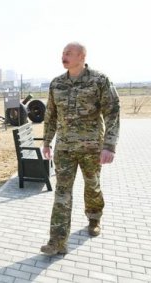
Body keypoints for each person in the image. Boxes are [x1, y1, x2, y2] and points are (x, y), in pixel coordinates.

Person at [40, 42, 120, 255]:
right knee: (62, 192)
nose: (63, 56)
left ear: (81, 57)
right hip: (64, 148)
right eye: (63, 52)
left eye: (69, 53)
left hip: (92, 147)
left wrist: (109, 146)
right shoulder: (56, 84)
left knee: (92, 186)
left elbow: (112, 112)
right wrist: (47, 141)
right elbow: (51, 115)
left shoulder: (99, 80)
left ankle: (94, 217)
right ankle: (57, 242)